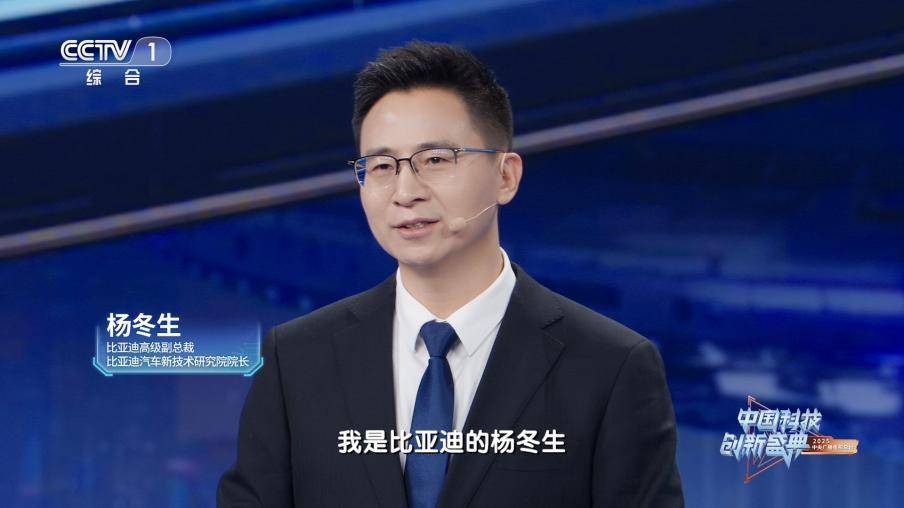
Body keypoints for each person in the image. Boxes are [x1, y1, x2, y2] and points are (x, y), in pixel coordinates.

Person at [218, 40, 684, 508]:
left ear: (505, 176)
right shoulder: (295, 361)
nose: (405, 192)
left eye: (436, 160)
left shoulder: (611, 366)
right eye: (381, 166)